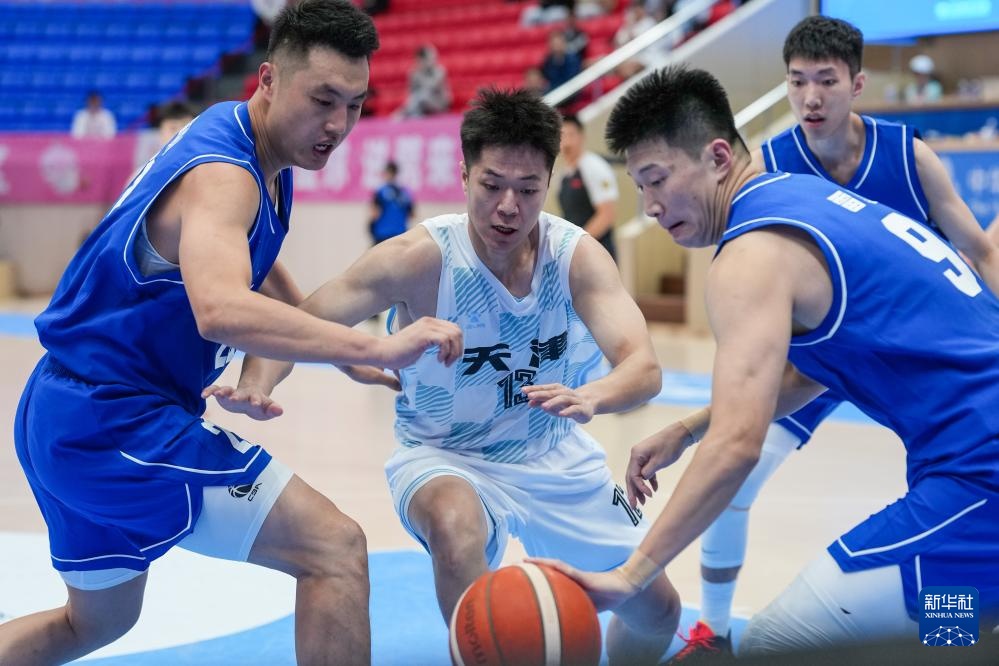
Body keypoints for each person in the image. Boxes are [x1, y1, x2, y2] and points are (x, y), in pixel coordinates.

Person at [0, 2, 465, 665]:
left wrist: (318, 339)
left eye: (355, 106)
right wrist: (371, 344)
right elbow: (218, 308)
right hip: (113, 422)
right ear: (268, 79)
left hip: (63, 412)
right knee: (333, 548)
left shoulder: (244, 136)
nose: (338, 125)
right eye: (323, 100)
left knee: (92, 624)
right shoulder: (225, 175)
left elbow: (248, 254)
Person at [533, 64, 999, 656]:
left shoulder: (749, 254)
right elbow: (810, 371)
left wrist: (632, 575)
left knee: (772, 646)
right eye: (640, 187)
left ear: (717, 157)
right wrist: (688, 428)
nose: (649, 206)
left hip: (979, 479)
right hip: (971, 478)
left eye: (657, 180)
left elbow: (737, 446)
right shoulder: (803, 197)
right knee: (942, 627)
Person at [219, 88, 682, 665]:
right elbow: (307, 321)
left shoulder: (576, 257)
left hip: (554, 455)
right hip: (444, 456)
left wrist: (592, 396)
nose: (508, 207)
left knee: (658, 612)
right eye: (492, 186)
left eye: (527, 189)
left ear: (549, 183)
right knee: (454, 523)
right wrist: (258, 381)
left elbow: (643, 367)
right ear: (464, 176)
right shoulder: (419, 258)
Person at [667, 15, 999, 659]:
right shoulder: (770, 169)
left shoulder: (907, 155)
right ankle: (714, 631)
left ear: (857, 84)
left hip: (910, 360)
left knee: (932, 537)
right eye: (797, 82)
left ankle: (951, 636)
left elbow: (980, 251)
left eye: (826, 81)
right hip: (820, 361)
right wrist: (694, 427)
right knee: (737, 478)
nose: (810, 97)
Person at [557, 114, 619, 260]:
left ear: (581, 137)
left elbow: (606, 215)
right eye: (562, 137)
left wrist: (576, 245)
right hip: (576, 253)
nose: (567, 142)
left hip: (598, 251)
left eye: (571, 135)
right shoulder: (563, 174)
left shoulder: (594, 167)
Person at [399, 44, 452, 117]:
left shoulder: (439, 71)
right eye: (431, 57)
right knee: (416, 97)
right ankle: (413, 113)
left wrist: (418, 76)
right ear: (422, 59)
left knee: (423, 95)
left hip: (440, 103)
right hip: (421, 104)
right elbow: (411, 92)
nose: (434, 59)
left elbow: (431, 86)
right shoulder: (414, 73)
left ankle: (408, 113)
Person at [368, 161, 414, 245]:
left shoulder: (381, 191)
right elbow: (412, 214)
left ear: (387, 173)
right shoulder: (406, 192)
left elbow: (375, 213)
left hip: (382, 234)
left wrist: (370, 227)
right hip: (400, 234)